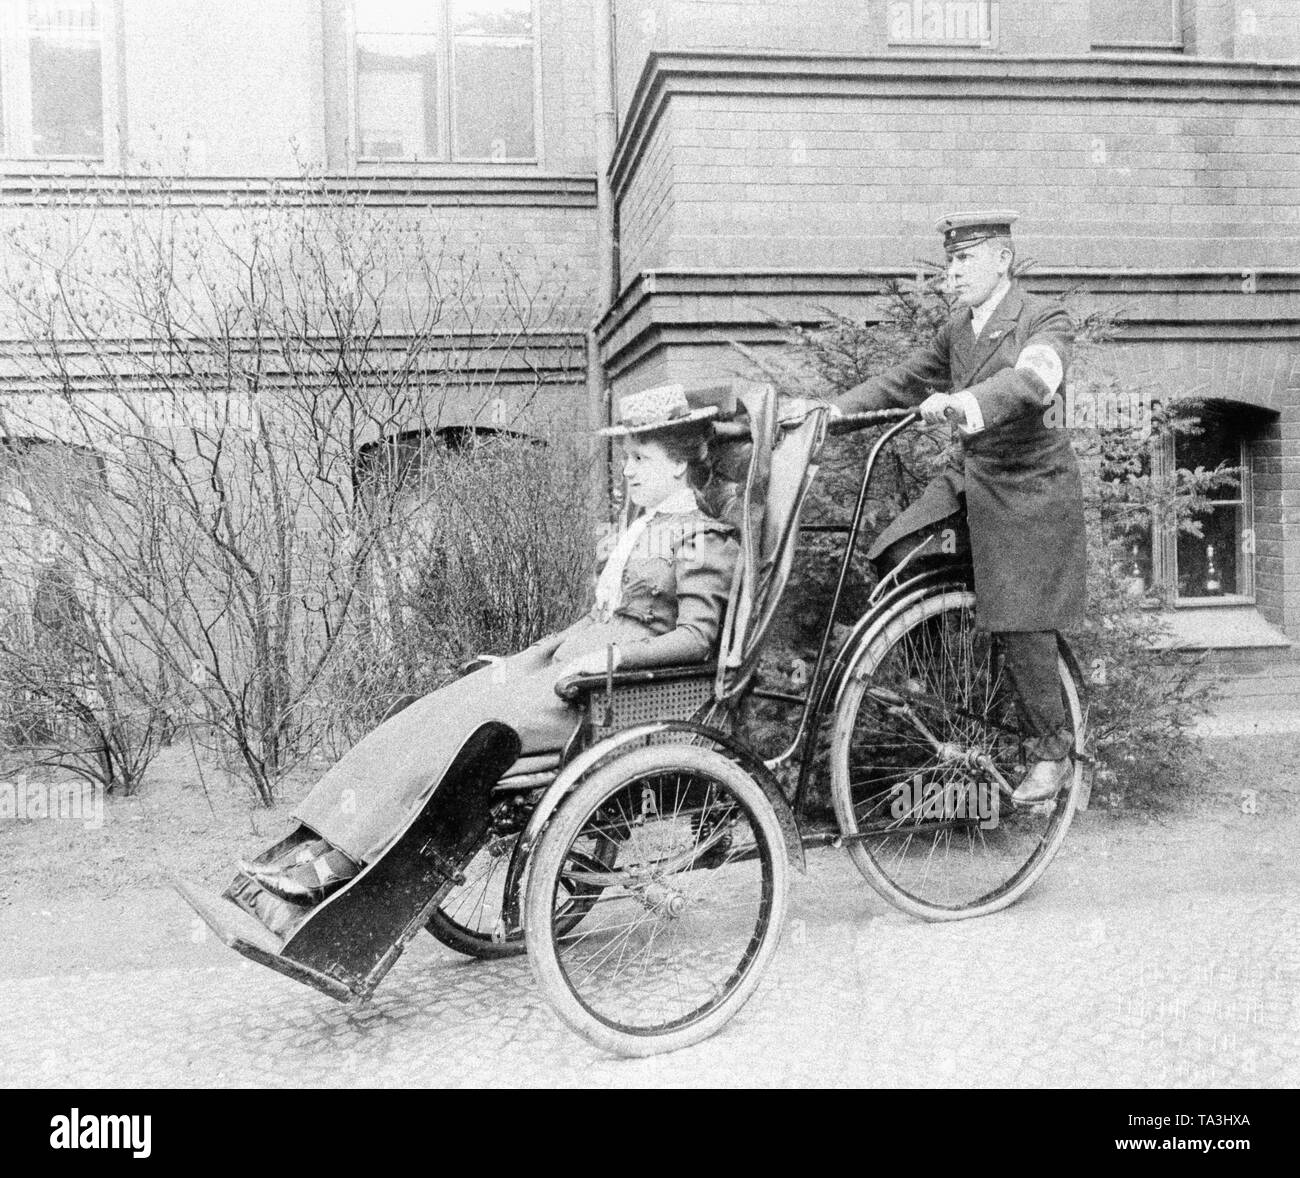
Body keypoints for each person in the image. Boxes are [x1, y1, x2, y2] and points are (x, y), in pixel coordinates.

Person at [239, 384, 740, 905]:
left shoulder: (704, 538)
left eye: (642, 458)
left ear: (679, 465)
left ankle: (340, 864)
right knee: (428, 711)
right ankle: (317, 841)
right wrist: (523, 661)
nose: (629, 470)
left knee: (464, 732)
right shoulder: (640, 531)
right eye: (628, 458)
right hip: (569, 665)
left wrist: (612, 658)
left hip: (610, 693)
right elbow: (598, 617)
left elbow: (697, 638)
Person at [831, 210, 1087, 805]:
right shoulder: (959, 329)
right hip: (971, 479)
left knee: (1019, 617)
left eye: (966, 258)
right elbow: (901, 380)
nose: (954, 271)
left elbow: (1034, 382)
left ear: (1003, 259)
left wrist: (964, 403)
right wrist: (830, 413)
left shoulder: (1043, 318)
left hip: (1029, 488)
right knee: (898, 549)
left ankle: (1052, 753)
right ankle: (938, 672)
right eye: (950, 260)